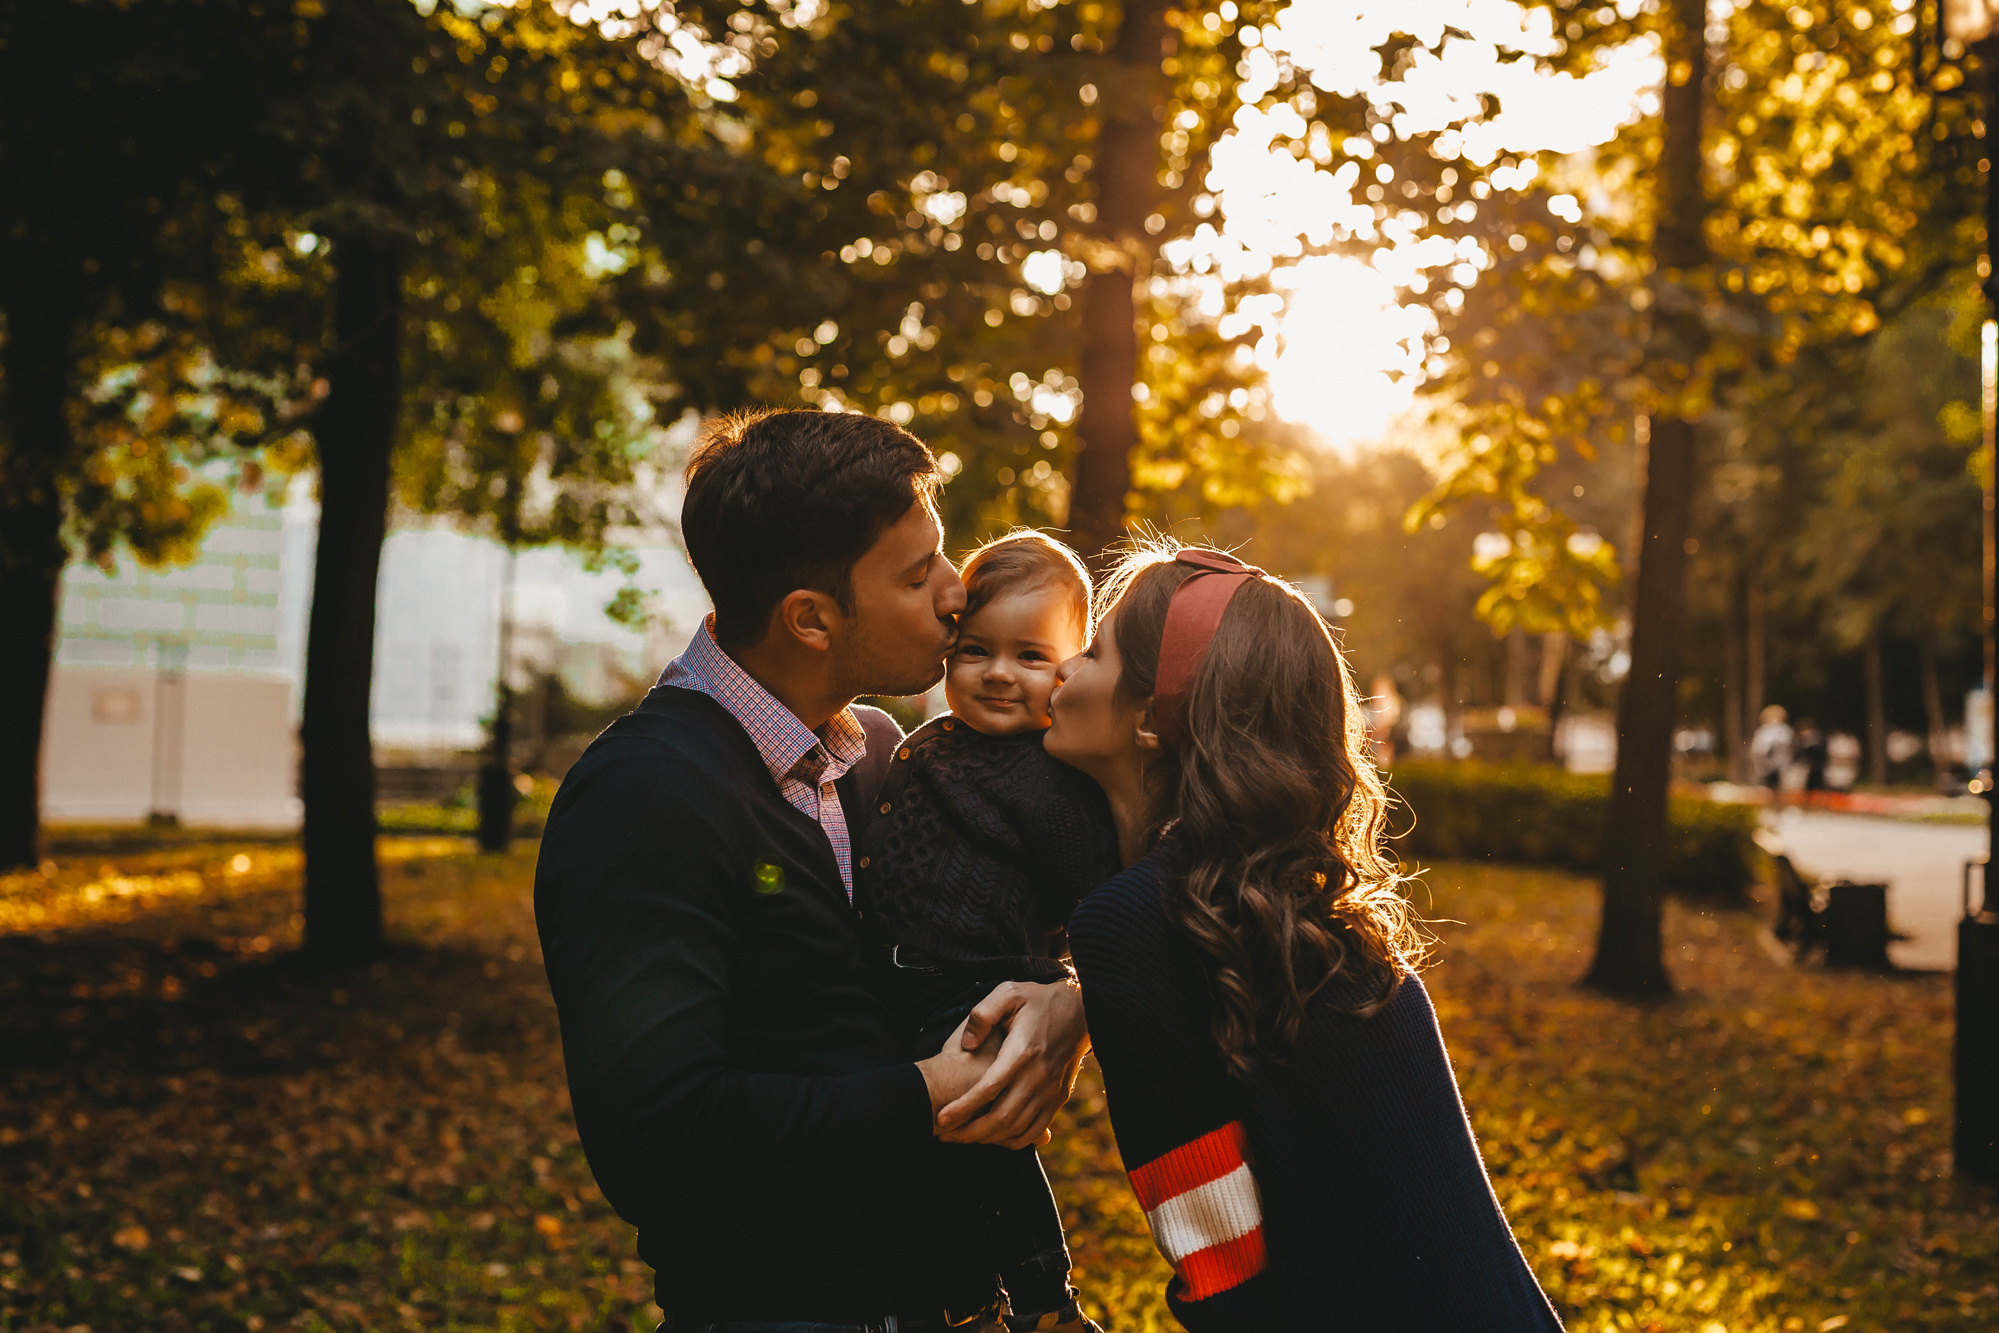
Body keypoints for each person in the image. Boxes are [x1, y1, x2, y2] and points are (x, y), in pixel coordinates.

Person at [533, 410, 1092, 1333]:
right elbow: (660, 1141)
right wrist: (933, 1090)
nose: (959, 593)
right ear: (810, 618)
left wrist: (1065, 1001)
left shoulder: (881, 753)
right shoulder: (643, 798)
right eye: (919, 575)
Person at [1042, 542, 1565, 1331]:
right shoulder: (1317, 924)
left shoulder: (1131, 920)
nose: (1059, 671)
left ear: (1152, 717)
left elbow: (1221, 1268)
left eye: (1091, 651)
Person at [856, 532, 1119, 1333]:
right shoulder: (919, 743)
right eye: (975, 649)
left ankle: (1044, 1299)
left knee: (985, 1134)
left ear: (1069, 669)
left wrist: (1074, 987)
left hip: (985, 984)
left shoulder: (1054, 780)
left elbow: (1096, 900)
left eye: (1030, 655)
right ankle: (962, 1300)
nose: (999, 672)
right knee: (922, 1158)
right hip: (897, 986)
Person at [1749, 704, 1793, 801]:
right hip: (1781, 766)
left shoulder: (1764, 731)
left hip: (1767, 767)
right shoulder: (1786, 731)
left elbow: (1759, 750)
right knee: (1778, 792)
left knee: (1766, 793)